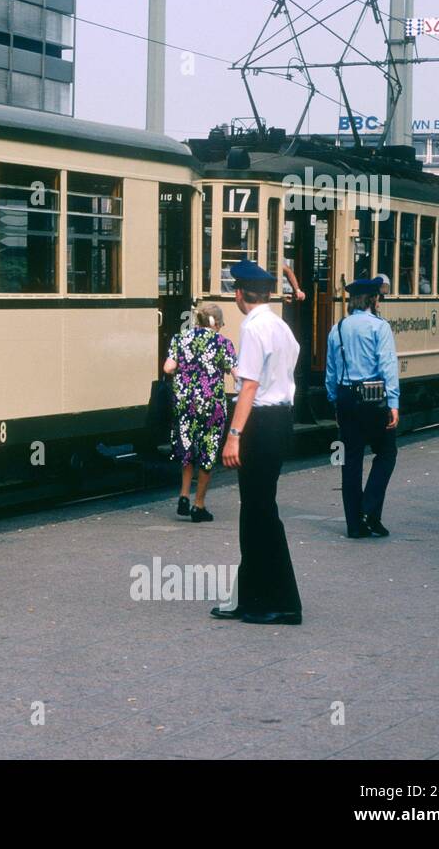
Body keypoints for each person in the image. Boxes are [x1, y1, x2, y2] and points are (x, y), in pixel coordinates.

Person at [212, 260, 303, 626]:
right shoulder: (280, 326)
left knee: (259, 512)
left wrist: (234, 436)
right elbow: (277, 372)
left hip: (259, 423)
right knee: (257, 510)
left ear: (238, 294)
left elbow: (249, 387)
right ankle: (249, 598)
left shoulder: (253, 328)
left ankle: (281, 602)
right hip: (280, 419)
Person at [325, 278, 400, 539]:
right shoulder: (380, 327)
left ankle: (355, 525)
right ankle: (369, 509)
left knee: (351, 460)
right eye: (378, 298)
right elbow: (387, 366)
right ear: (372, 300)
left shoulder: (338, 328)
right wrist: (393, 403)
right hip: (374, 397)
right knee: (387, 452)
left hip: (346, 398)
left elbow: (331, 371)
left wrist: (335, 400)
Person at [164, 301, 237, 522]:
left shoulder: (180, 339)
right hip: (211, 405)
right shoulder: (222, 342)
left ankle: (184, 495)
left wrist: (186, 371)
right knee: (208, 450)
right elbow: (237, 373)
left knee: (187, 448)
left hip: (185, 404)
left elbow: (168, 367)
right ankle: (199, 505)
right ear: (217, 323)